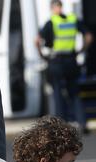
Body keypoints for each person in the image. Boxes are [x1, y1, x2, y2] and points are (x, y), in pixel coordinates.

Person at [36, 0, 93, 134]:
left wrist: (42, 55)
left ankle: (59, 126)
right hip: (71, 61)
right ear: (61, 7)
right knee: (74, 93)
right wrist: (81, 50)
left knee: (57, 94)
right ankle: (82, 123)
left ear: (53, 8)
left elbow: (37, 40)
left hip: (56, 61)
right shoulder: (72, 19)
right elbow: (89, 37)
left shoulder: (52, 22)